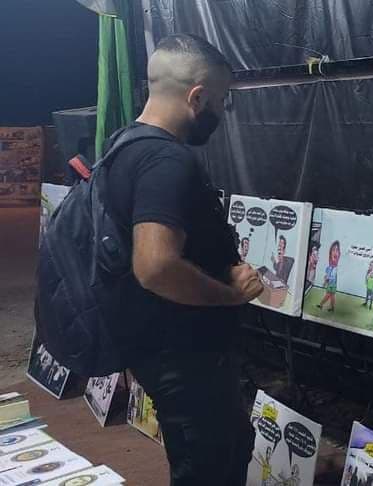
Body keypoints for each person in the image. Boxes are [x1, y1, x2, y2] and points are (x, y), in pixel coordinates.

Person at [98, 34, 262, 484]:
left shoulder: (124, 144)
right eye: (221, 101)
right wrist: (229, 294)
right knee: (210, 466)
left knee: (220, 451)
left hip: (158, 343)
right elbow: (155, 266)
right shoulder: (165, 161)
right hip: (184, 353)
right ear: (197, 97)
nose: (222, 112)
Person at [316, 241, 340, 312]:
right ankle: (331, 307)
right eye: (333, 250)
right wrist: (326, 278)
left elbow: (331, 275)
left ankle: (321, 305)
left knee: (329, 294)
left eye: (337, 250)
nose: (335, 252)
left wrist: (326, 280)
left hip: (332, 279)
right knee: (331, 294)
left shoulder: (334, 266)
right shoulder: (330, 266)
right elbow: (328, 272)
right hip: (331, 277)